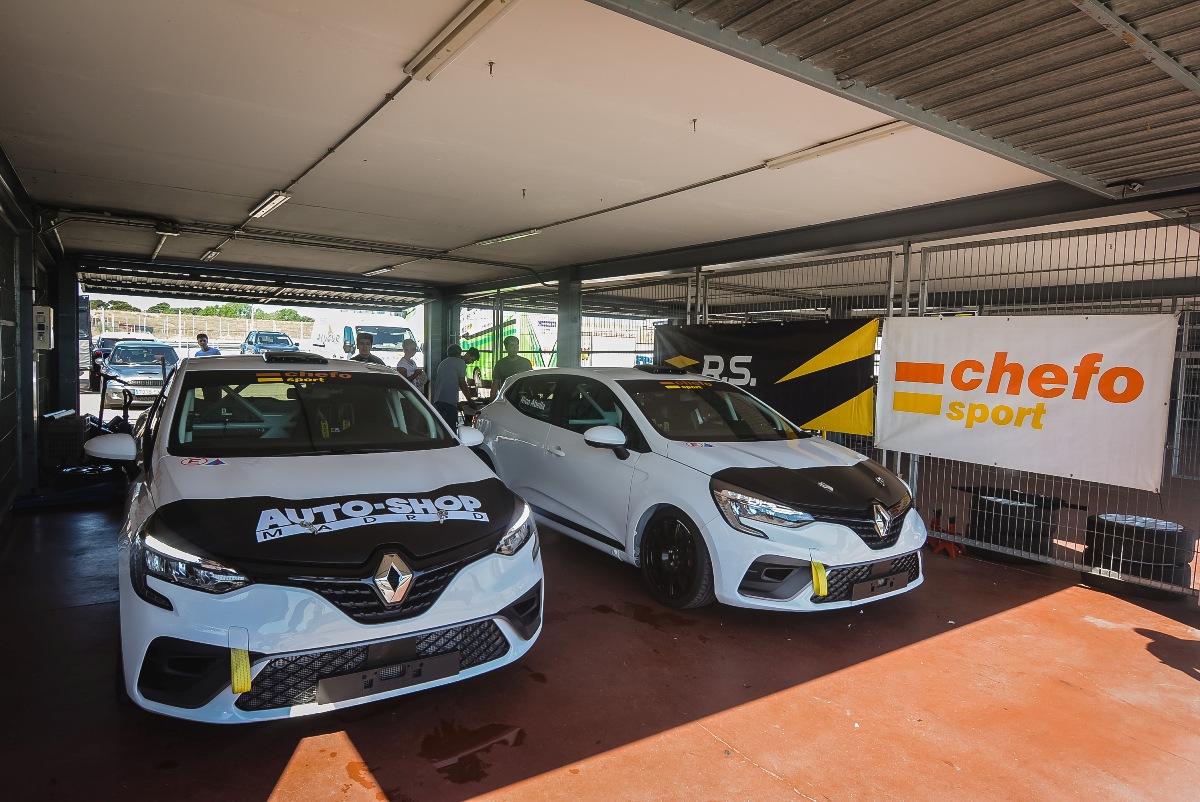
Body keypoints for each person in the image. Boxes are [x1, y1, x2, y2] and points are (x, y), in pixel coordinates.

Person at [431, 345, 475, 428]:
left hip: (438, 399)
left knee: (442, 428)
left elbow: (447, 383)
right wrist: (469, 400)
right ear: (460, 353)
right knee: (451, 429)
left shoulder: (443, 363)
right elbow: (462, 383)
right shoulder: (460, 362)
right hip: (449, 402)